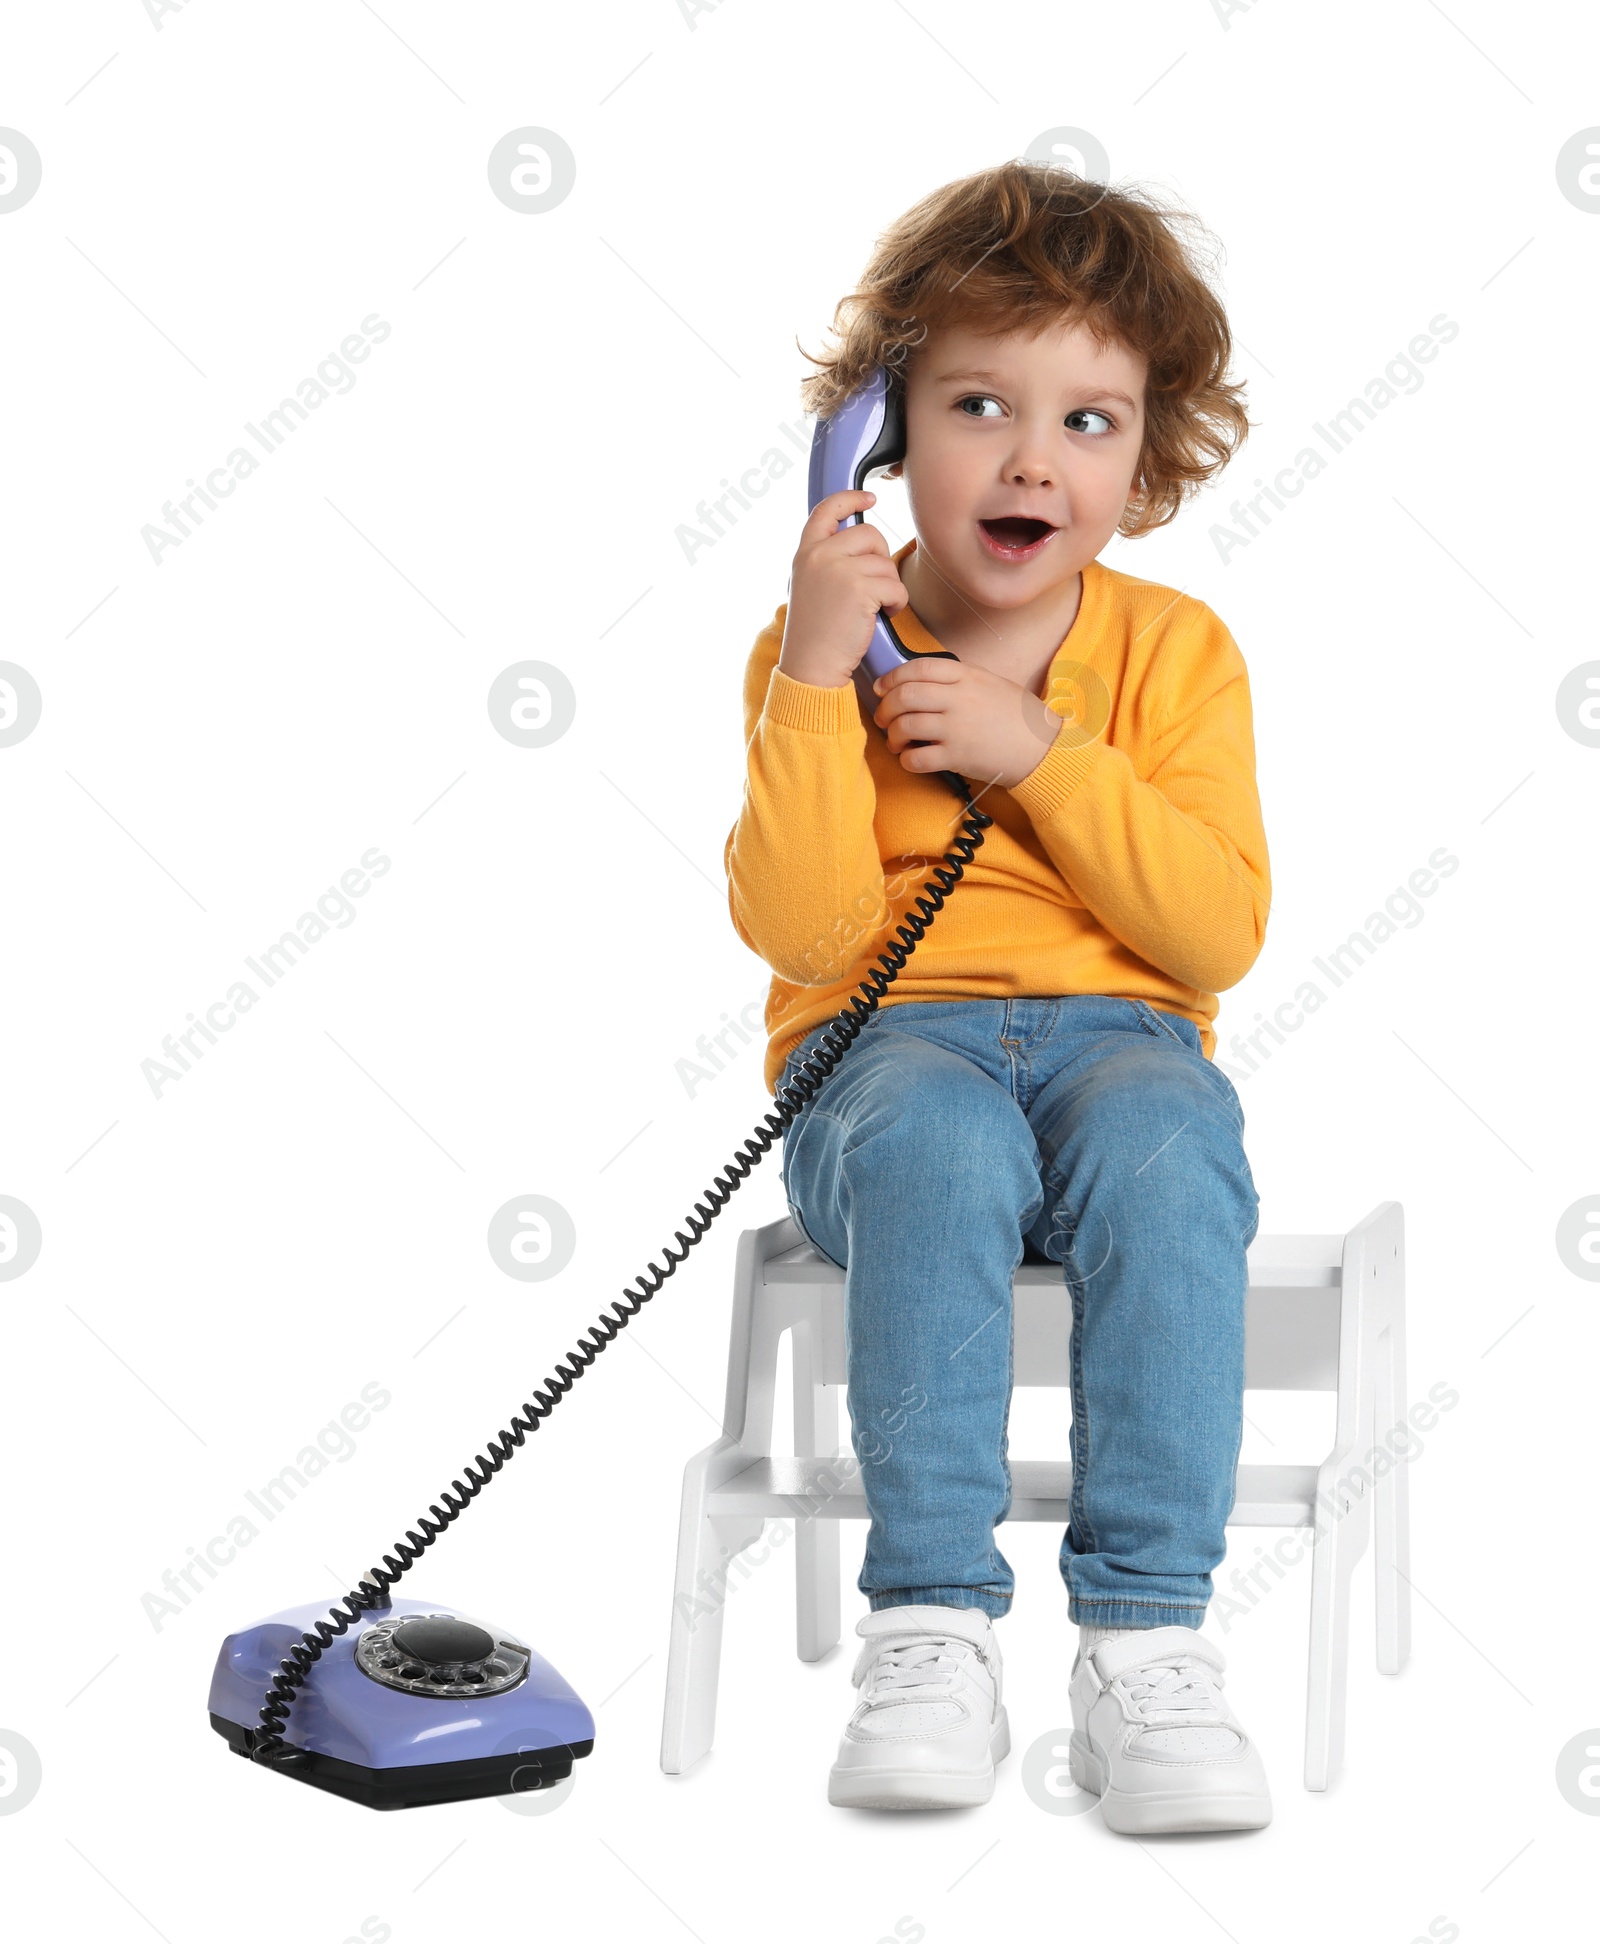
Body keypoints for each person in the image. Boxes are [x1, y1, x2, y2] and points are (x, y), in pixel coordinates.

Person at [724, 160, 1271, 1834]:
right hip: (886, 1054)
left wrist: (1042, 756)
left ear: (1147, 456)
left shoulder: (1176, 656)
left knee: (1176, 1152)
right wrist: (825, 680)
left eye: (1091, 421)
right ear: (879, 439)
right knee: (937, 1148)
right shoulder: (819, 645)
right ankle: (933, 1624)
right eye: (978, 403)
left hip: (1123, 1042)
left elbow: (1211, 932)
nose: (1037, 458)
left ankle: (1149, 1646)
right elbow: (809, 927)